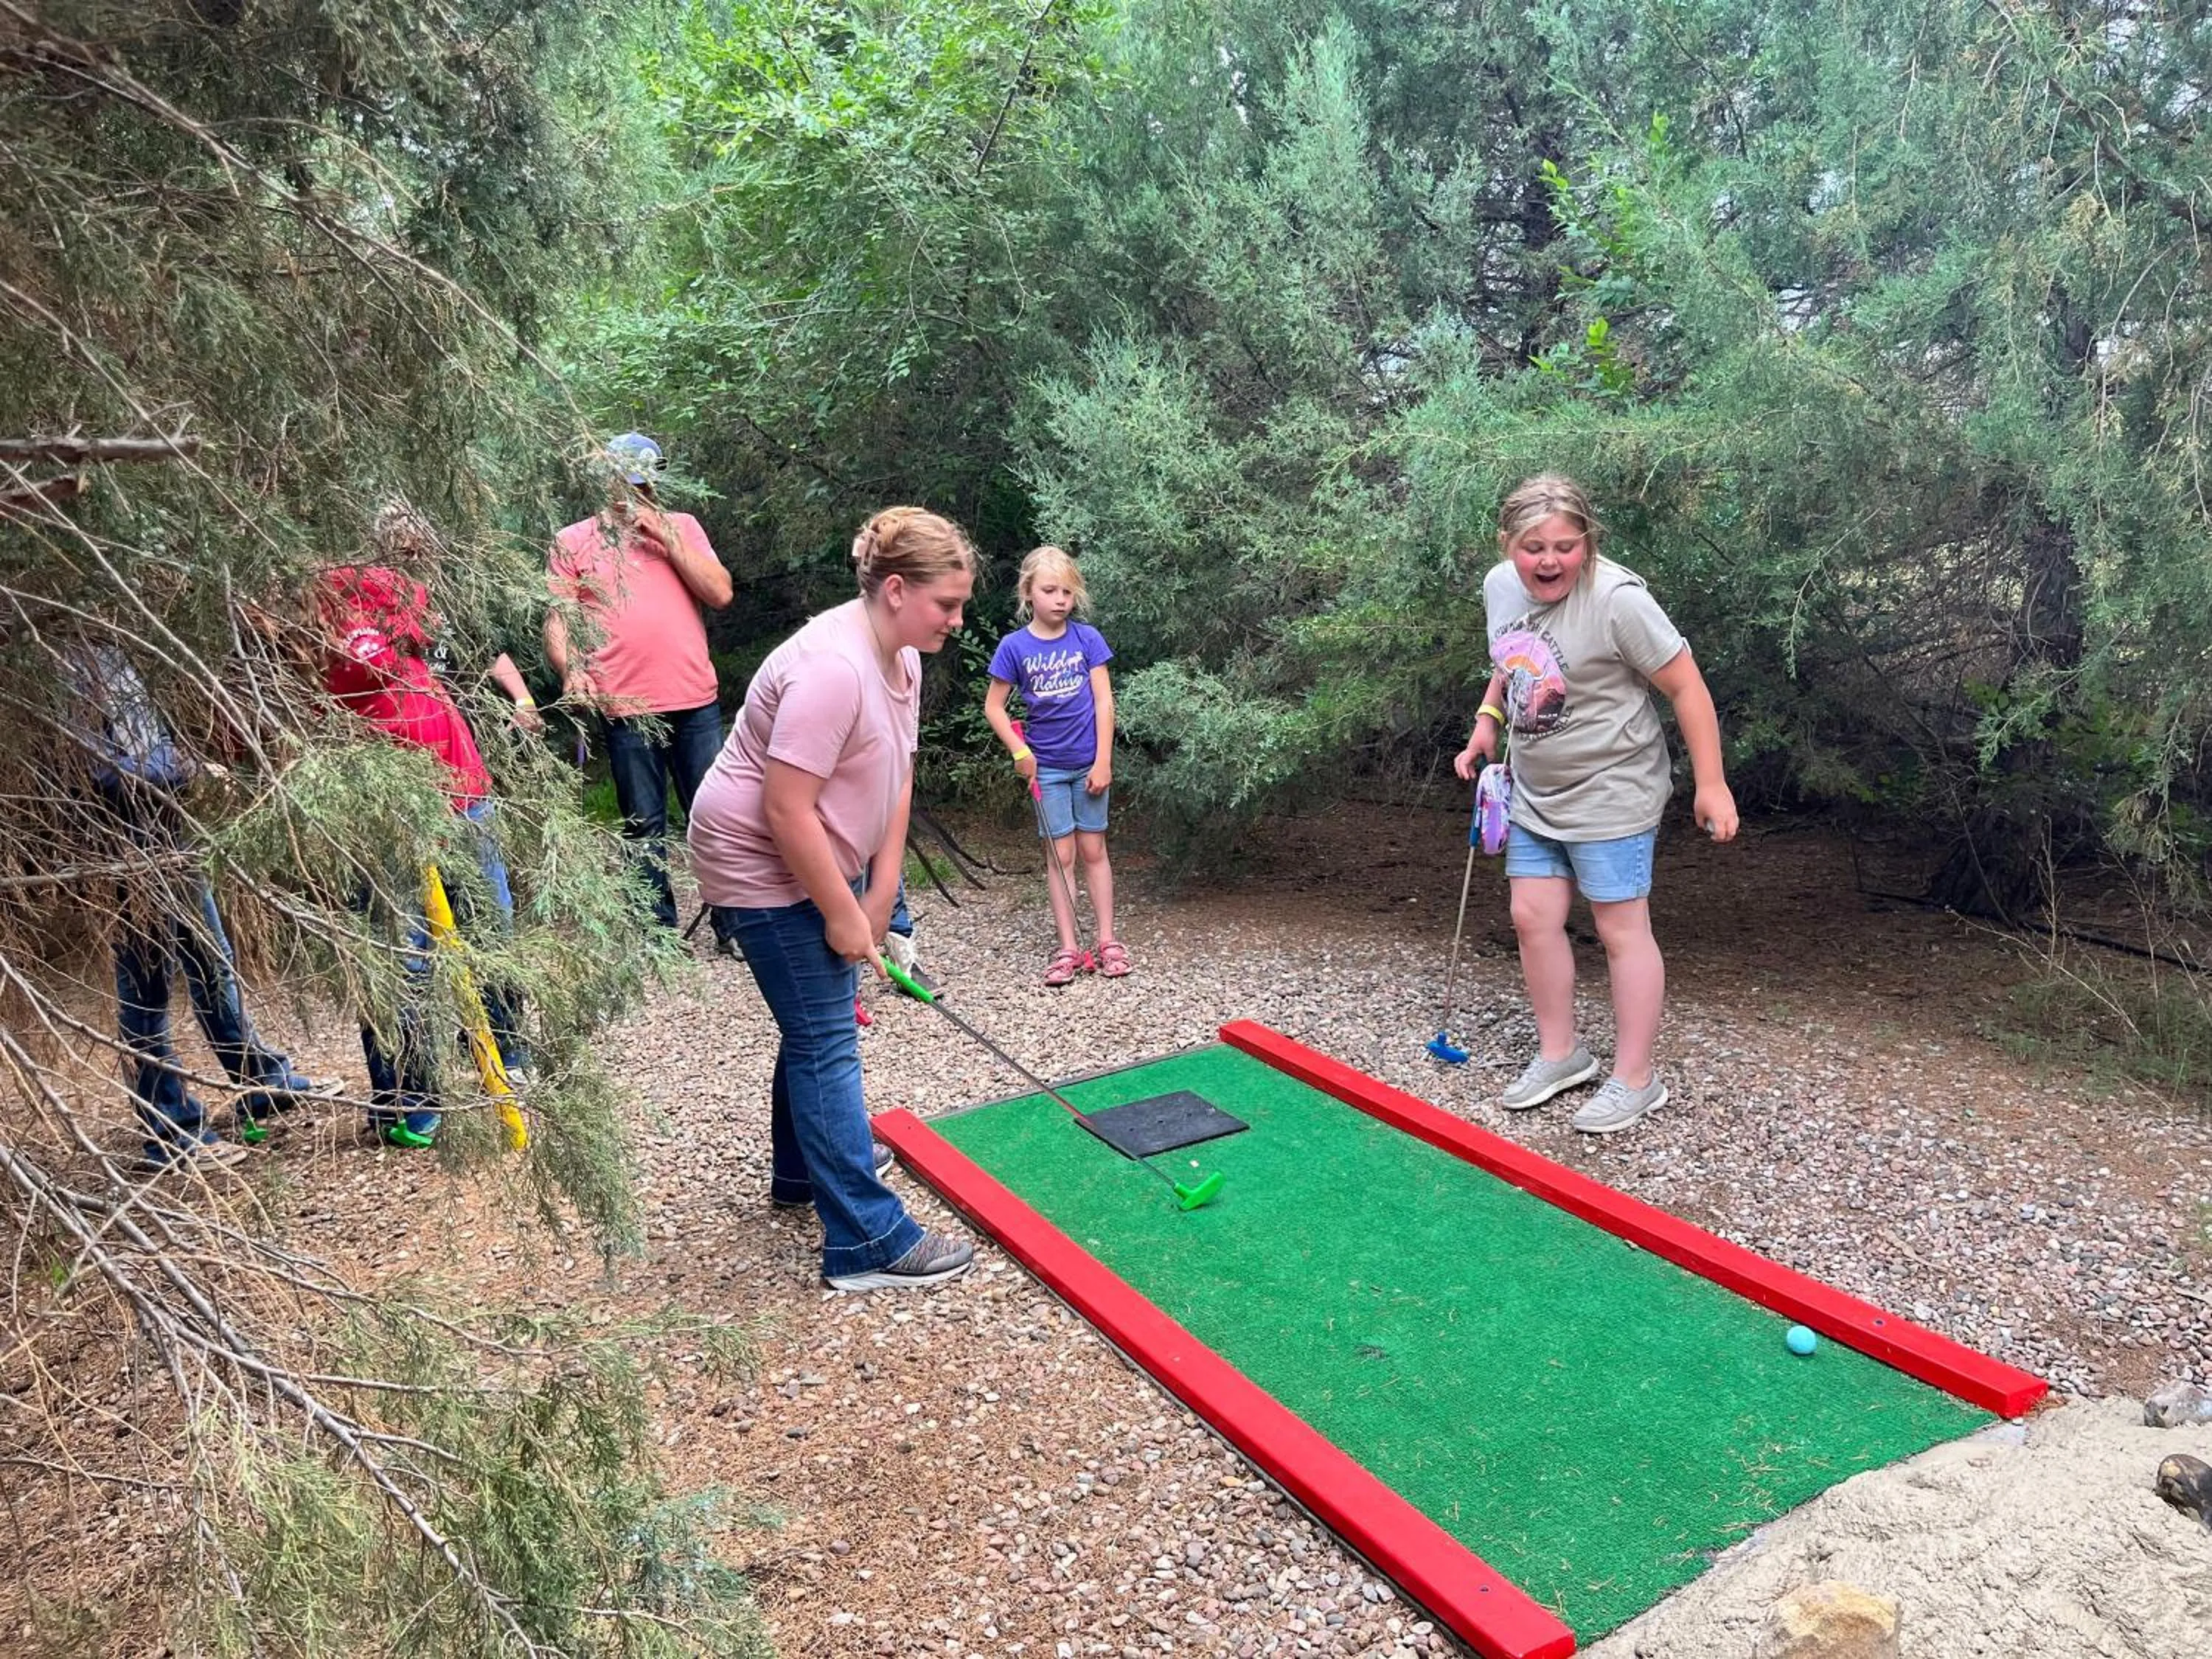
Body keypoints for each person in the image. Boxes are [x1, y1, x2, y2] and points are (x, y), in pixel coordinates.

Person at [688, 506, 978, 1291]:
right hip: (755, 854)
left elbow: (897, 775)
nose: (957, 619)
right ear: (894, 590)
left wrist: (880, 893)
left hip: (817, 843)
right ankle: (866, 1241)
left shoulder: (905, 659)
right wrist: (844, 915)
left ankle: (799, 1172)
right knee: (826, 1035)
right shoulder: (833, 669)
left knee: (815, 1021)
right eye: (946, 604)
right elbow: (783, 809)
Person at [1453, 474, 1738, 1135]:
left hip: (1613, 788)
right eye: (1533, 547)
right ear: (1508, 546)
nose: (1548, 560)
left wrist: (1712, 783)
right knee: (1532, 915)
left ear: (1588, 543)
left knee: (1619, 928)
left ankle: (1637, 1079)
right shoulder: (1500, 586)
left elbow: (1687, 688)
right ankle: (1562, 1055)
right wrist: (1487, 721)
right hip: (1536, 786)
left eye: (1564, 546)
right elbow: (1513, 657)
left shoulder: (1618, 601)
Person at [63, 641, 331, 1169]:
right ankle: (169, 1129)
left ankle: (259, 1079)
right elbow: (98, 771)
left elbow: (145, 741)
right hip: (121, 857)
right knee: (145, 992)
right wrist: (186, 767)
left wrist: (181, 761)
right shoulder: (64, 662)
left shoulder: (112, 653)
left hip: (169, 842)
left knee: (213, 961)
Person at [319, 504, 528, 1147]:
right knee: (401, 952)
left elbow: (476, 648)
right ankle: (407, 1096)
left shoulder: (423, 604)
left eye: (422, 547)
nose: (418, 559)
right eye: (406, 549)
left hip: (463, 789)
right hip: (389, 811)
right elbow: (355, 672)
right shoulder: (337, 608)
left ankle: (509, 1058)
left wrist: (519, 699)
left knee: (492, 923)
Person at [546, 434, 741, 956]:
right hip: (624, 703)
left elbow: (720, 593)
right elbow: (559, 618)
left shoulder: (684, 527)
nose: (638, 489)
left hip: (693, 696)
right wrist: (572, 669)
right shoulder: (574, 540)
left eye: (645, 478)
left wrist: (665, 536)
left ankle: (735, 925)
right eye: (627, 479)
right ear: (605, 478)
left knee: (715, 814)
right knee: (643, 823)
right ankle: (657, 934)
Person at [983, 546, 1127, 985]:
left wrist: (1103, 760)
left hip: (1088, 764)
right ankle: (1068, 947)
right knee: (1060, 854)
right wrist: (1019, 751)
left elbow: (1104, 702)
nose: (1060, 599)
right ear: (1029, 593)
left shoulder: (1087, 639)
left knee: (1093, 850)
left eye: (1068, 591)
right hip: (1046, 767)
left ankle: (1107, 941)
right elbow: (993, 707)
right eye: (1050, 590)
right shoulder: (1015, 647)